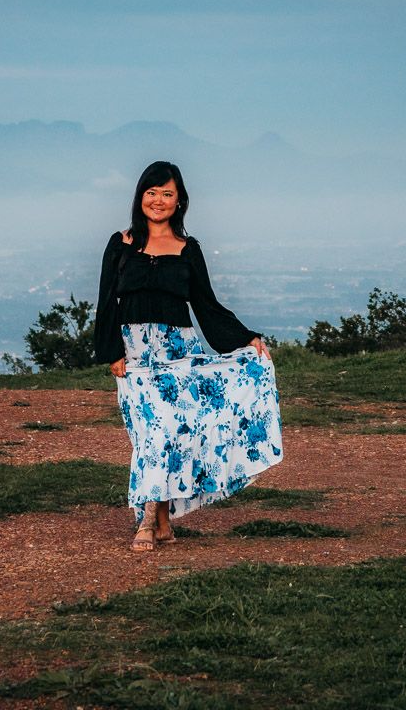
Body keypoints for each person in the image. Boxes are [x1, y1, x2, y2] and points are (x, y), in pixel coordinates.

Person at [94, 159, 283, 552]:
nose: (158, 200)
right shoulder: (122, 243)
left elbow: (206, 306)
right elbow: (106, 303)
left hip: (179, 353)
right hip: (135, 356)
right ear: (140, 196)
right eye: (152, 192)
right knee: (153, 433)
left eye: (167, 193)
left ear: (179, 201)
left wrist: (246, 339)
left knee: (169, 432)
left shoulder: (187, 249)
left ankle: (151, 522)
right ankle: (157, 519)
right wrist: (111, 350)